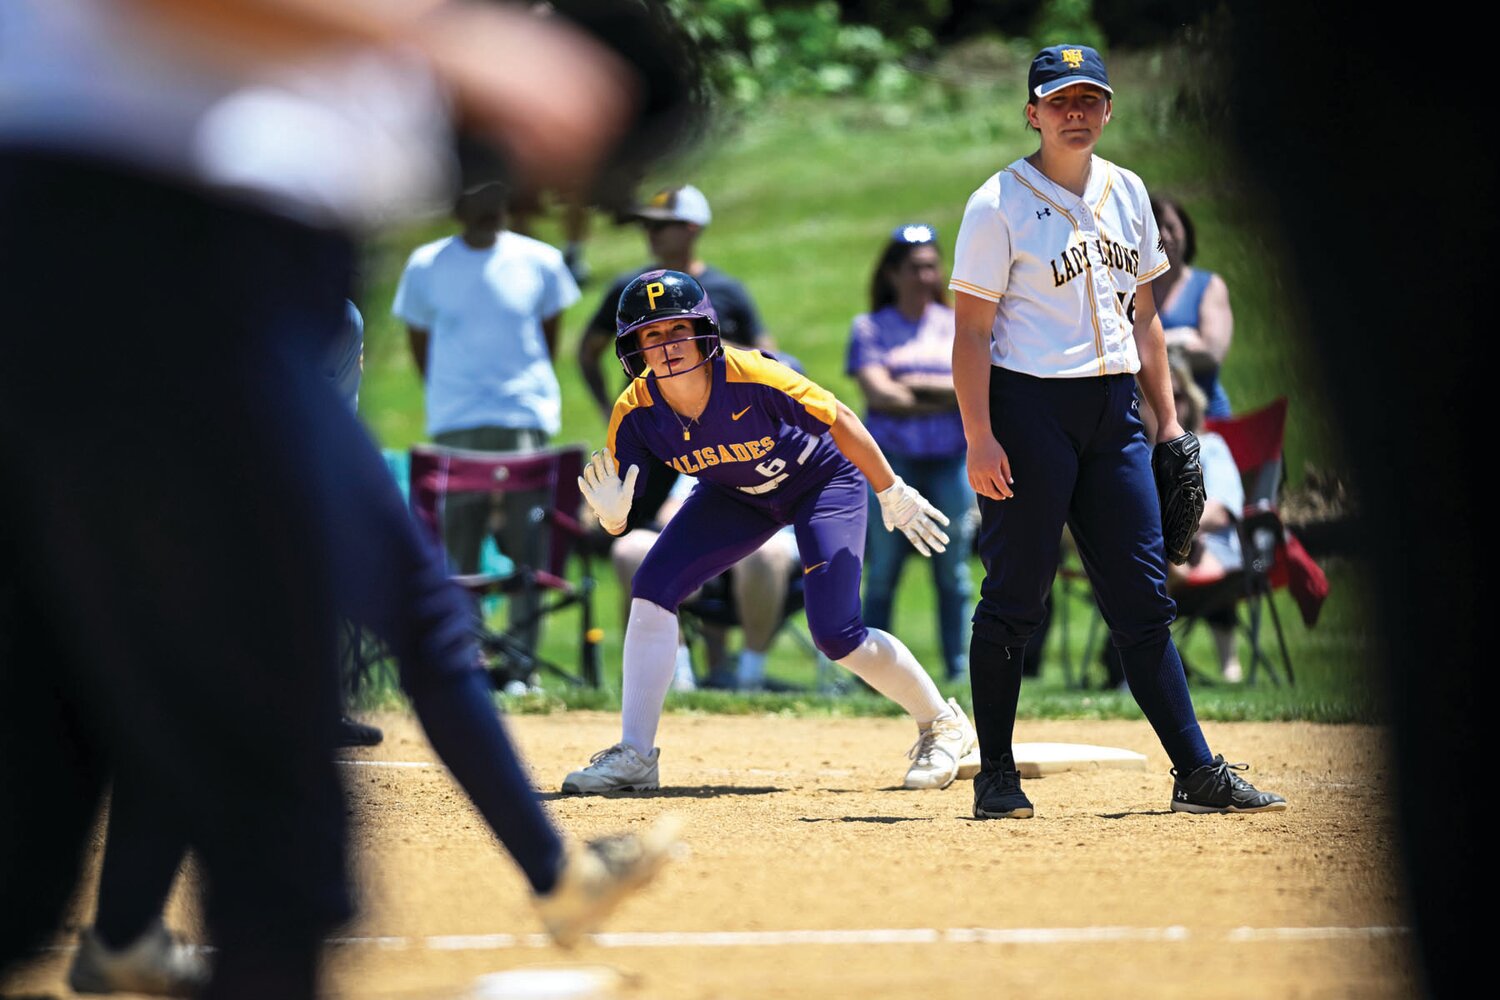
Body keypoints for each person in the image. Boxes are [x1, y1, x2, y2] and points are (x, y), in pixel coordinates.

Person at [0, 1, 696, 996]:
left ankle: (122, 929)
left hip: (193, 256)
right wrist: (451, 42)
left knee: (51, 817)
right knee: (270, 834)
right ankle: (548, 872)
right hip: (151, 239)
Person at [947, 44, 1286, 818]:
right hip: (1028, 413)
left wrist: (1168, 425)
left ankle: (1197, 775)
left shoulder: (1127, 191)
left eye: (1089, 99)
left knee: (1143, 601)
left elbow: (1147, 320)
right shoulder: (996, 203)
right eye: (1059, 100)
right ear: (1031, 113)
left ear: (1108, 110)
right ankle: (996, 773)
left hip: (1114, 418)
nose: (1075, 112)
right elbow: (970, 335)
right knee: (1014, 598)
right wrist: (979, 437)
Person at [561, 270, 980, 795]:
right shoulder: (635, 410)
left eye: (676, 330)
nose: (666, 346)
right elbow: (620, 503)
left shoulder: (752, 373)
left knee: (836, 633)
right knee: (652, 585)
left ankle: (942, 722)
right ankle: (636, 755)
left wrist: (890, 489)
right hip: (737, 495)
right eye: (652, 335)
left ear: (705, 329)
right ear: (633, 347)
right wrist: (613, 519)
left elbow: (840, 417)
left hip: (820, 479)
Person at [393, 179, 579, 659]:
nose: (490, 207)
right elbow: (420, 341)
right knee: (459, 539)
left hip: (522, 416)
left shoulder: (540, 260)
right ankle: (466, 657)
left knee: (528, 541)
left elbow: (548, 334)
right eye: (478, 196)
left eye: (497, 195)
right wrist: (445, 393)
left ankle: (523, 662)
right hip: (456, 419)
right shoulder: (426, 265)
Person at [575, 184, 768, 531]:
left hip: (720, 432)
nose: (650, 234)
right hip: (651, 430)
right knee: (628, 529)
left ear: (692, 228)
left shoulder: (726, 290)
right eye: (646, 226)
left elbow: (769, 359)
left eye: (661, 226)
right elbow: (588, 351)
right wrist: (609, 407)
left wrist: (705, 345)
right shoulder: (629, 288)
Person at [847, 223, 975, 682]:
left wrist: (911, 387)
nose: (925, 276)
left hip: (950, 464)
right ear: (893, 274)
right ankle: (875, 673)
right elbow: (881, 396)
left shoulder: (959, 323)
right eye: (914, 268)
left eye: (931, 266)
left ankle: (960, 670)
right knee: (881, 571)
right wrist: (946, 391)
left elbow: (977, 386)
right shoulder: (870, 328)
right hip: (890, 469)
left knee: (953, 572)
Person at [1152, 196, 1234, 418]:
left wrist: (1151, 346)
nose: (1164, 235)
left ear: (1186, 231)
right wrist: (1184, 338)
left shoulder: (1209, 286)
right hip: (1151, 421)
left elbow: (1211, 353)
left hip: (1207, 415)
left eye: (1171, 227)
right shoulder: (1133, 291)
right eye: (1155, 228)